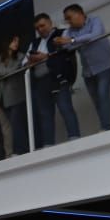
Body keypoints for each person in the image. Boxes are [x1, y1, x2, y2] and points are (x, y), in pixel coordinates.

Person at [55, 4, 110, 131]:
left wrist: (72, 41)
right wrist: (64, 42)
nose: (68, 22)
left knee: (103, 93)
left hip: (105, 65)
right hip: (88, 71)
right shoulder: (69, 31)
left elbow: (95, 35)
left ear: (80, 14)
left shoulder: (95, 20)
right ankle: (106, 126)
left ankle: (106, 128)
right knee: (96, 100)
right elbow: (67, 47)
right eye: (66, 19)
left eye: (69, 18)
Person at [25, 12, 80, 148]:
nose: (40, 29)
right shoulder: (35, 42)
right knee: (45, 114)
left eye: (42, 25)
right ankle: (48, 144)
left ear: (50, 23)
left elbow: (70, 48)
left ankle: (75, 138)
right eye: (37, 28)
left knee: (65, 107)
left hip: (58, 77)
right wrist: (32, 61)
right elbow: (24, 63)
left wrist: (45, 57)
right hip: (41, 81)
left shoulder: (62, 33)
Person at [0, 33, 29, 155]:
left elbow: (10, 72)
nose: (16, 44)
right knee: (11, 126)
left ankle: (20, 150)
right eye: (14, 41)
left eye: (17, 42)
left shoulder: (20, 56)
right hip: (1, 98)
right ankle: (19, 150)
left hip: (16, 95)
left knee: (16, 123)